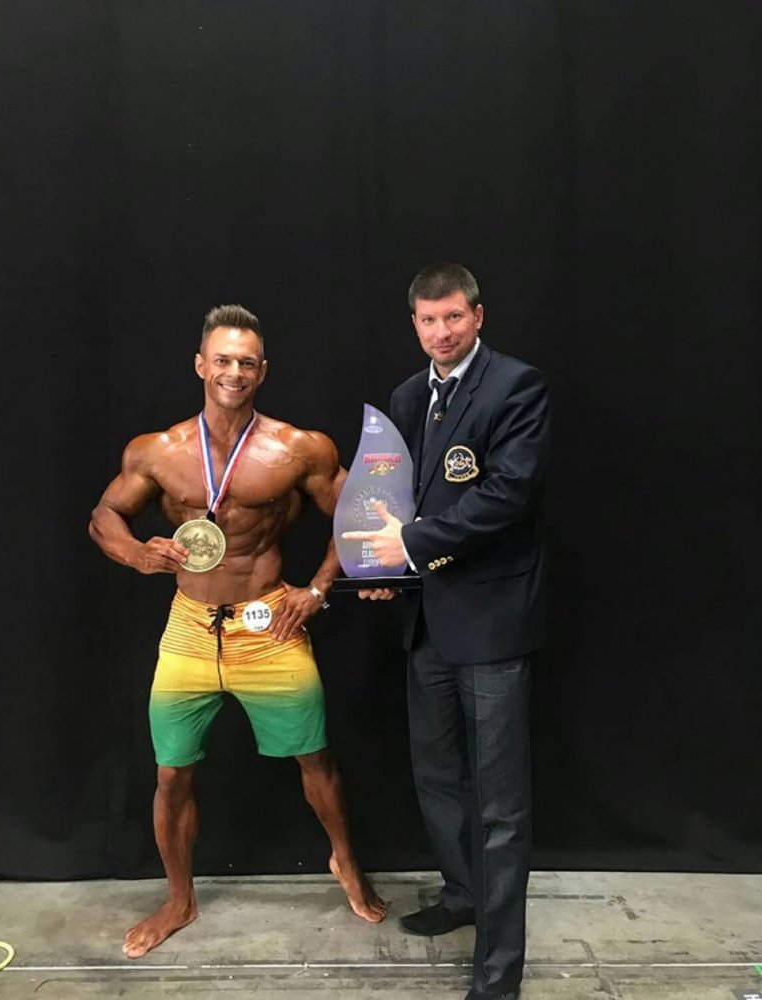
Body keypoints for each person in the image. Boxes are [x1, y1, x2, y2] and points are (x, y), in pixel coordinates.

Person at [89, 303, 386, 959]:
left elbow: (363, 514)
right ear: (201, 365)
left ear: (263, 371)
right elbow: (104, 516)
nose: (234, 372)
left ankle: (344, 860)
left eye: (246, 362)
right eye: (222, 360)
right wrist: (136, 553)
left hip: (268, 622)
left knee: (316, 758)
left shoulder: (299, 448)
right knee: (172, 774)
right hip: (190, 628)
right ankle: (179, 898)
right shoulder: (156, 451)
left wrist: (317, 590)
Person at [343, 263, 549, 1000]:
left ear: (478, 316)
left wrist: (410, 544)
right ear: (415, 324)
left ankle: (498, 972)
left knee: (499, 806)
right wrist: (383, 567)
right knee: (437, 779)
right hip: (426, 621)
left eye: (454, 317)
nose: (441, 332)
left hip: (491, 623)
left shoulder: (515, 387)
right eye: (428, 321)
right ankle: (462, 895)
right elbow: (391, 498)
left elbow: (508, 495)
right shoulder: (407, 397)